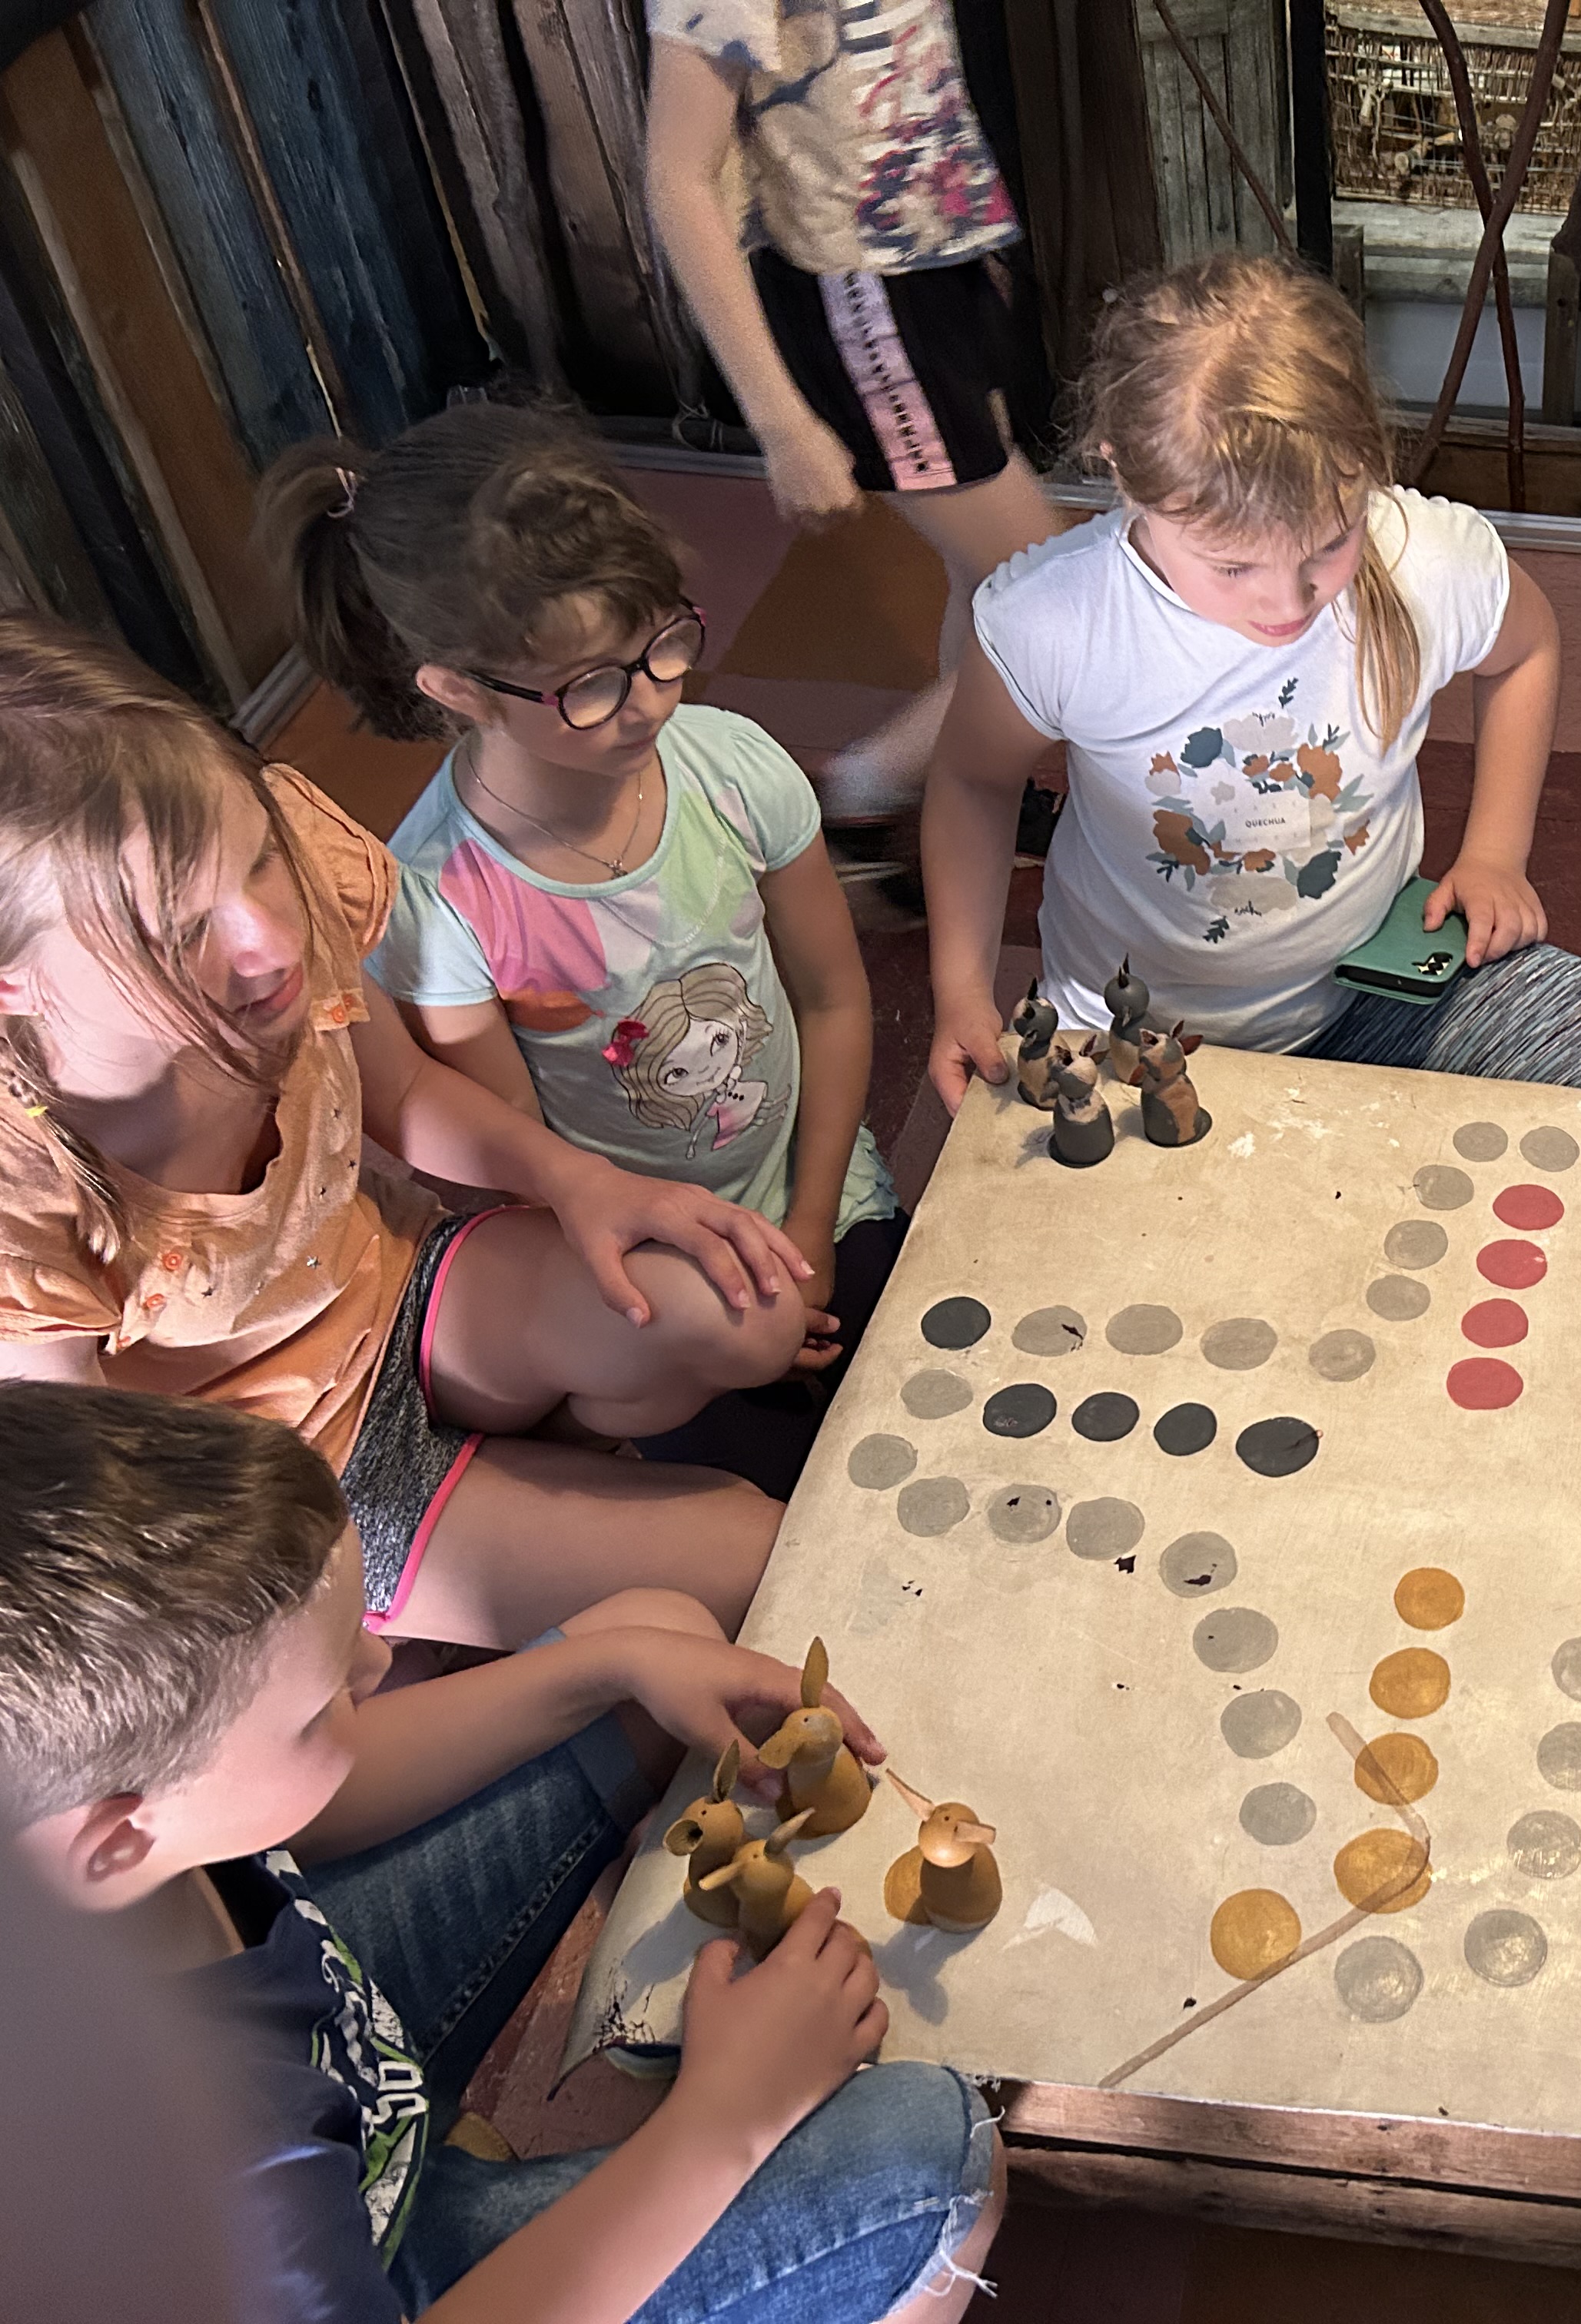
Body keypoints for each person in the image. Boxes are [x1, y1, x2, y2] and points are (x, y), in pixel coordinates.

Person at [0, 1380, 1002, 2323]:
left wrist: (616, 1663)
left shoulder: (83, 1840)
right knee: (934, 2161)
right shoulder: (210, 2172)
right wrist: (725, 2120)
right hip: (390, 2277)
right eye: (325, 1703)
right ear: (117, 1839)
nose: (381, 1663)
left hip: (341, 2088)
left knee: (647, 1632)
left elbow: (311, 1807)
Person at [0, 615, 809, 1645]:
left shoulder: (286, 881)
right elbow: (101, 1499)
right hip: (288, 1476)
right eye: (183, 930)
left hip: (401, 1286)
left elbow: (406, 1090)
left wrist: (583, 1183)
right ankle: (456, 1571)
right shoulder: (20, 1187)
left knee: (745, 1315)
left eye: (260, 860)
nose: (271, 940)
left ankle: (517, 1500)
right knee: (761, 1562)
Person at [264, 405, 900, 1496]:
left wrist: (808, 1222)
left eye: (663, 643)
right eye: (589, 685)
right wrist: (710, 1283)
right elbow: (523, 1168)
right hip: (650, 1272)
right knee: (782, 1513)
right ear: (457, 688)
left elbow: (835, 1000)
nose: (648, 702)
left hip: (825, 1191)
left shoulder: (733, 767)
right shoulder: (441, 898)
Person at [922, 254, 1581, 1107]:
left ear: (1366, 468)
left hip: (1374, 989)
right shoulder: (1055, 619)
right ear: (1124, 476)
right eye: (1232, 566)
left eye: (1329, 546)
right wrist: (960, 987)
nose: (1287, 603)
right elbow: (973, 781)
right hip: (1132, 1031)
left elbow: (1525, 650)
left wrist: (1495, 853)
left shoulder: (1423, 561)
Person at [644, 0, 1066, 828]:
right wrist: (781, 424)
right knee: (1057, 606)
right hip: (861, 290)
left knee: (989, 582)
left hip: (938, 252)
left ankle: (966, 790)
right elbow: (677, 177)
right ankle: (859, 802)